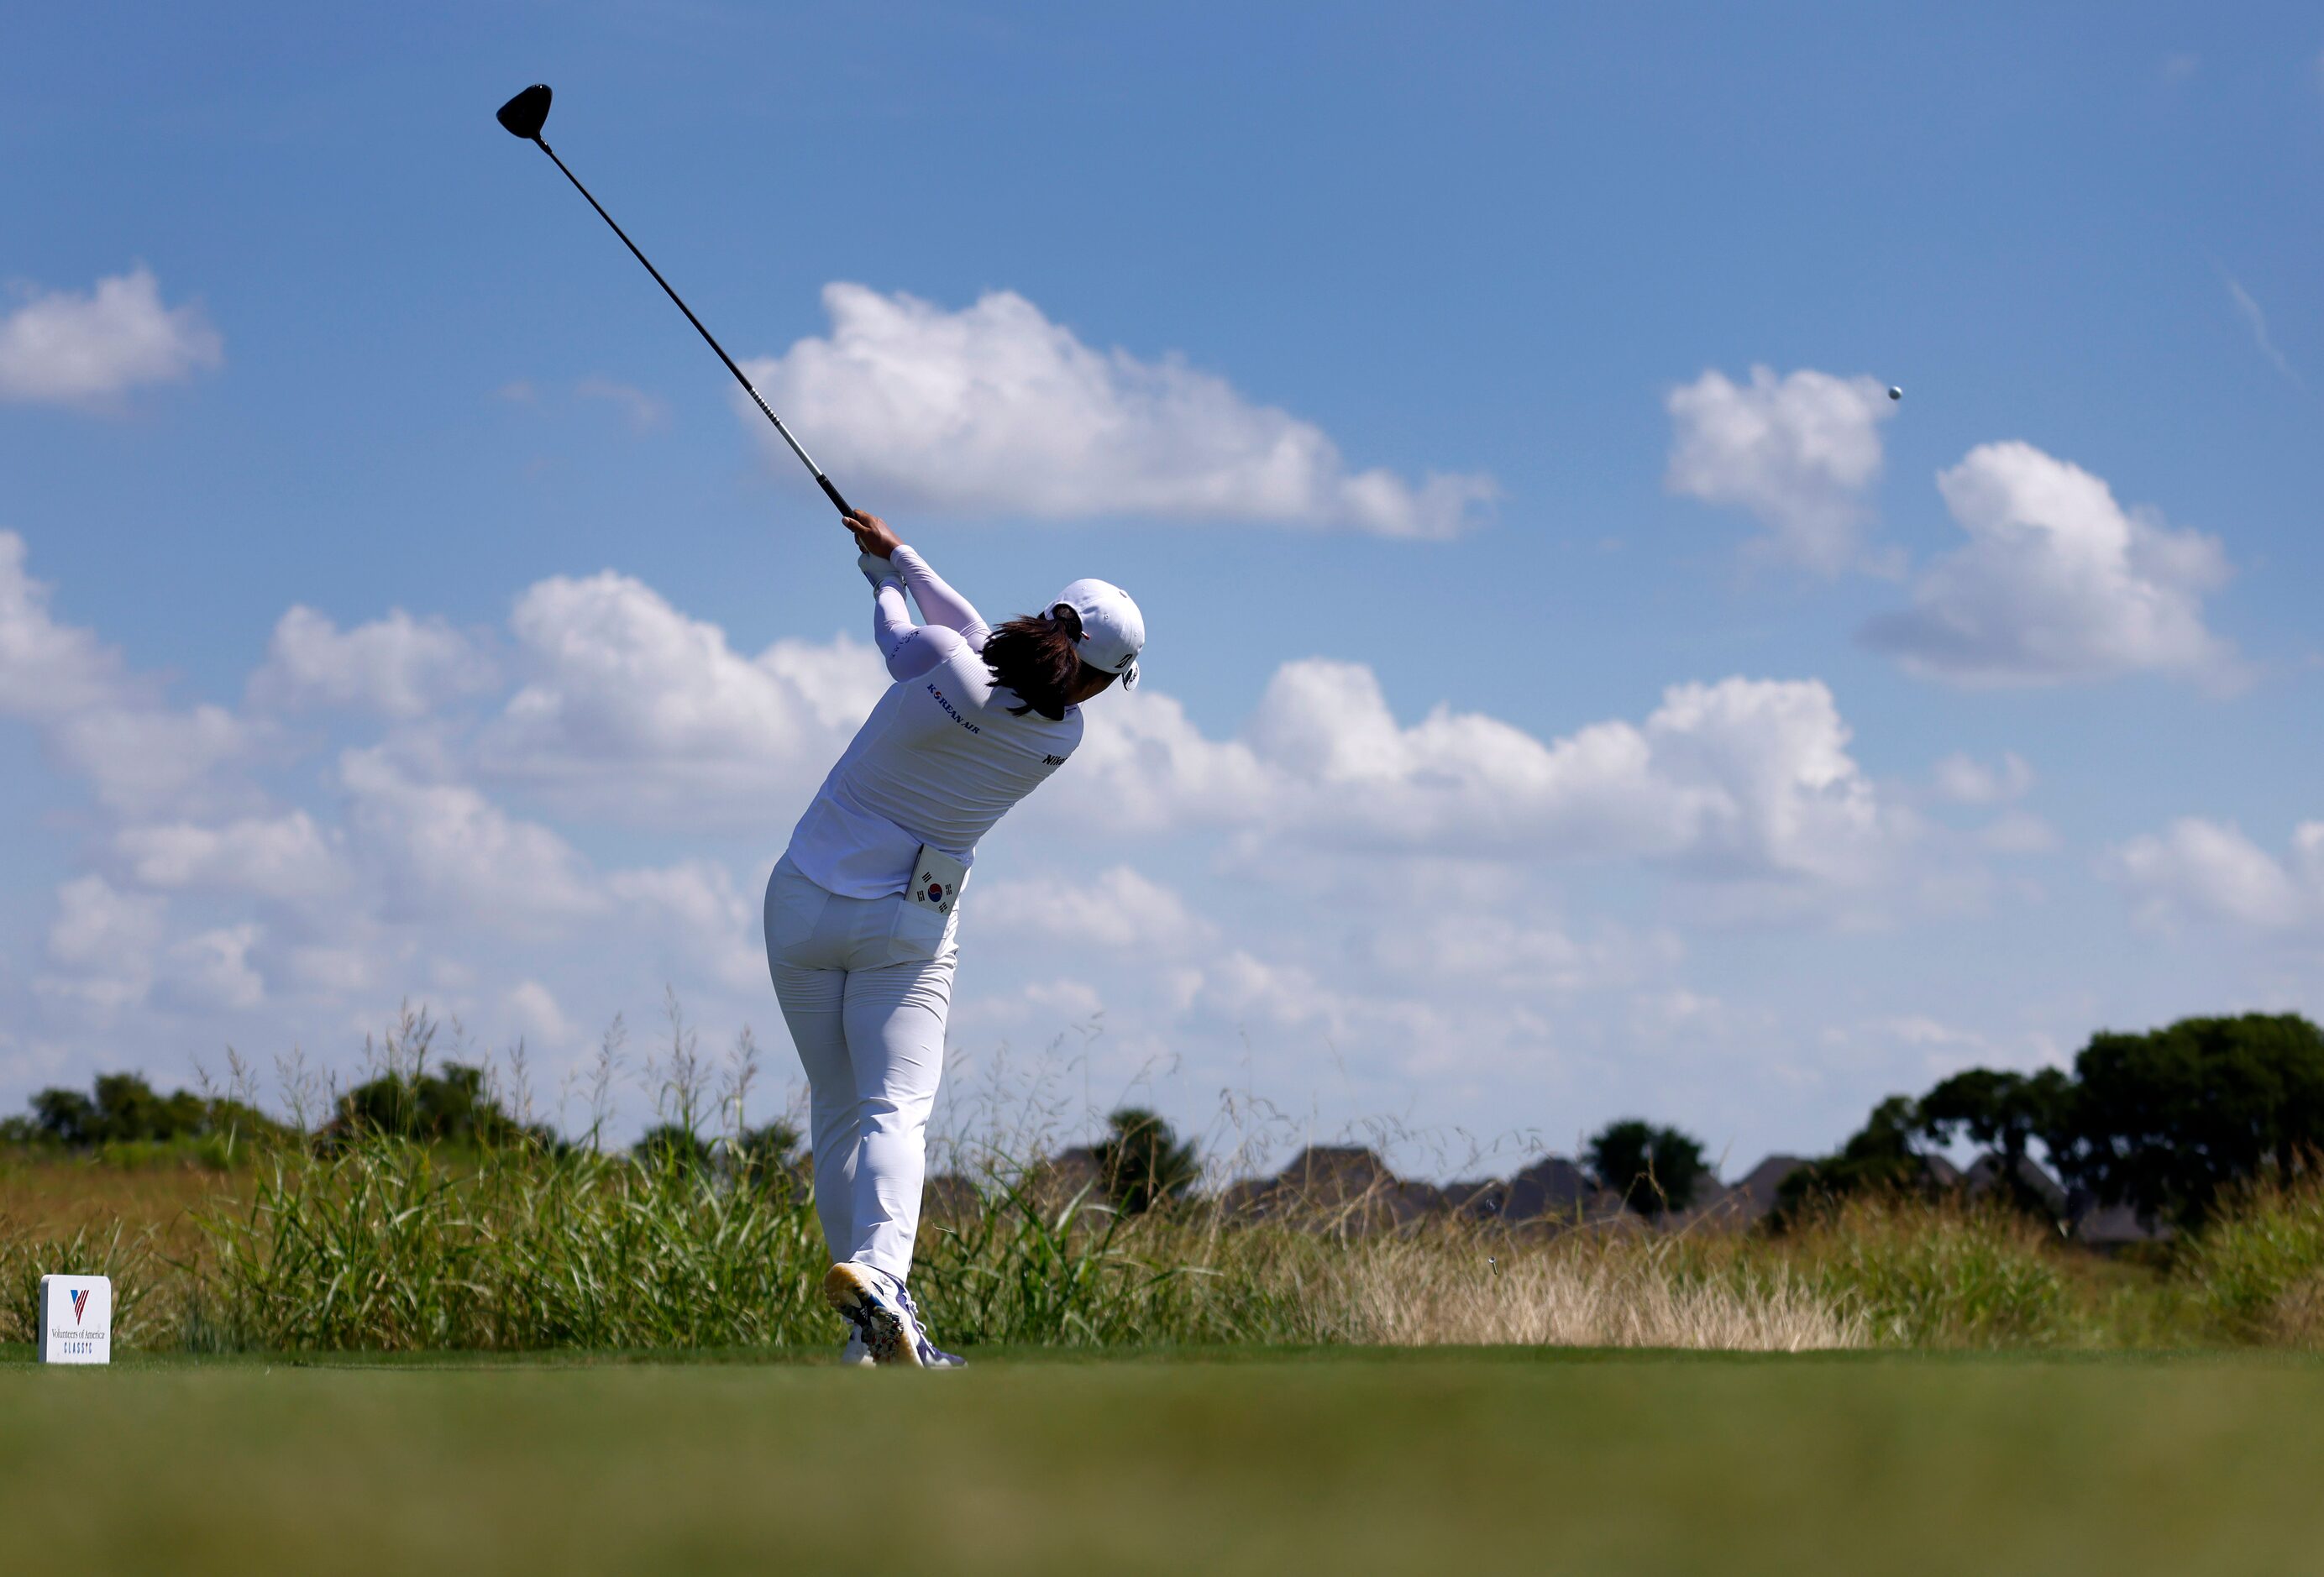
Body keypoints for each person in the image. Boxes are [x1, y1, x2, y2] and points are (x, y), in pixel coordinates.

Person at [763, 507, 1145, 1367]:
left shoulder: (945, 668)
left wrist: (882, 579)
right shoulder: (1064, 738)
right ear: (1097, 679)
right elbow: (972, 636)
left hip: (797, 906)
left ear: (1052, 618)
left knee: (835, 1108)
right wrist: (899, 558)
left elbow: (927, 637)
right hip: (903, 926)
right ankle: (881, 1282)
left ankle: (867, 1335)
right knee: (894, 1109)